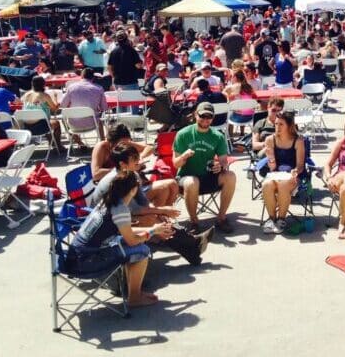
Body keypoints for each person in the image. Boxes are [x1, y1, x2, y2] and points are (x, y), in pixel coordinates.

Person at [90, 144, 212, 265]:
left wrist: (161, 213)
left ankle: (192, 249)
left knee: (156, 218)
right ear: (123, 164)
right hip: (106, 224)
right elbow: (135, 211)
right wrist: (161, 211)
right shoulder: (117, 182)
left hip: (120, 216)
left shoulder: (132, 174)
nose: (139, 162)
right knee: (151, 219)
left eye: (138, 158)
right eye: (135, 160)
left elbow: (144, 203)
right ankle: (192, 244)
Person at [69, 171, 170, 307]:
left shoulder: (110, 200)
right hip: (87, 260)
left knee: (134, 248)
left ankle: (133, 290)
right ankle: (134, 298)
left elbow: (125, 231)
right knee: (142, 251)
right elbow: (132, 240)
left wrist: (154, 230)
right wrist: (152, 231)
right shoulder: (120, 209)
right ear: (134, 189)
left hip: (77, 255)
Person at [173, 102, 237, 234]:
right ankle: (194, 222)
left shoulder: (217, 136)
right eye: (202, 116)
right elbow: (176, 164)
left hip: (207, 176)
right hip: (186, 177)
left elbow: (224, 161)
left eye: (209, 117)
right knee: (192, 182)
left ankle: (221, 218)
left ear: (213, 118)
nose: (206, 119)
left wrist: (221, 166)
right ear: (196, 115)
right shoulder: (183, 134)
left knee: (230, 176)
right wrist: (184, 156)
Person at [260, 110, 305, 234]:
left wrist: (296, 170)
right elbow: (272, 167)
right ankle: (271, 218)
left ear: (289, 126)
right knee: (266, 184)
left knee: (283, 184)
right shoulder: (270, 139)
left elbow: (300, 165)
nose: (277, 127)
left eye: (281, 124)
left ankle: (281, 219)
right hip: (276, 173)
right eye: (276, 124)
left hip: (292, 175)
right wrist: (270, 158)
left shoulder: (298, 141)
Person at [59, 67, 108, 141]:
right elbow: (104, 108)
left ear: (81, 76)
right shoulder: (99, 88)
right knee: (100, 120)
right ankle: (102, 142)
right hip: (92, 123)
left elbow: (62, 105)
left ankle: (79, 142)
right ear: (93, 77)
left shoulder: (71, 87)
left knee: (64, 119)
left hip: (73, 125)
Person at [21, 75, 63, 150]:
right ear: (43, 84)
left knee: (45, 120)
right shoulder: (44, 95)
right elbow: (54, 109)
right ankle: (58, 146)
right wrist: (55, 98)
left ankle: (52, 143)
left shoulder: (26, 95)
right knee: (56, 123)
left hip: (26, 127)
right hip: (41, 127)